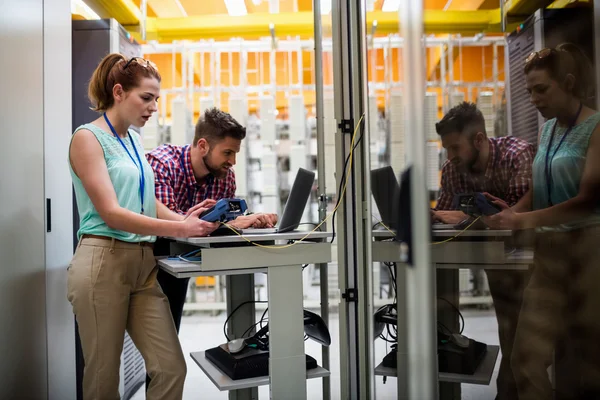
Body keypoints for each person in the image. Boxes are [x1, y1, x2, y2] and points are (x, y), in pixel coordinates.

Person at [67, 53, 219, 400]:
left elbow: (142, 200)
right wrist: (180, 231)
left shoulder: (134, 140)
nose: (153, 107)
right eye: (146, 98)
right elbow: (112, 212)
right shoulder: (87, 139)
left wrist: (184, 219)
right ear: (118, 92)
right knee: (104, 377)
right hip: (102, 261)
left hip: (142, 264)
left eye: (156, 99)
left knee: (169, 368)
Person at [484, 43, 600, 399]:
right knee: (525, 358)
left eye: (541, 89)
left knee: (587, 363)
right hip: (548, 255)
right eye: (529, 90)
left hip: (588, 252)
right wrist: (511, 213)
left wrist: (524, 222)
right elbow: (537, 190)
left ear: (568, 82)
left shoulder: (596, 128)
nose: (533, 98)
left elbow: (588, 200)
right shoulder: (547, 130)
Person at [432, 101, 535, 400]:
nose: (450, 157)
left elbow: (515, 222)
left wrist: (466, 219)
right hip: (495, 261)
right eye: (446, 149)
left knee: (525, 336)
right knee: (508, 330)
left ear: (479, 139)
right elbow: (446, 217)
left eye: (455, 148)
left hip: (532, 259)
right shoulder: (453, 170)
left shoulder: (516, 155)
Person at [145, 107, 277, 336]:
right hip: (149, 258)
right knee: (154, 336)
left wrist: (248, 221)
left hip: (181, 256)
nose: (233, 161)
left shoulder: (224, 177)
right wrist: (232, 224)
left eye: (235, 153)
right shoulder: (163, 163)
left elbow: (223, 223)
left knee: (168, 336)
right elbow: (172, 223)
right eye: (227, 153)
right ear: (203, 145)